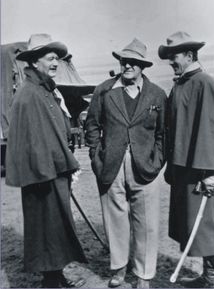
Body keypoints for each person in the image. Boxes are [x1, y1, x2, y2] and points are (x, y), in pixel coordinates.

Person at [5, 34, 87, 288]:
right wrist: (55, 169)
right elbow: (29, 142)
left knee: (56, 227)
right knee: (46, 229)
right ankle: (50, 281)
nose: (55, 63)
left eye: (57, 60)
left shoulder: (44, 90)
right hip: (42, 177)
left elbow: (55, 132)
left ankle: (56, 276)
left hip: (54, 172)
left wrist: (65, 165)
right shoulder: (29, 94)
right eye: (51, 58)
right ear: (35, 61)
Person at [85, 38, 167, 288]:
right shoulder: (104, 91)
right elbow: (92, 125)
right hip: (111, 164)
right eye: (124, 61)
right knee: (115, 218)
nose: (127, 65)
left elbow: (164, 134)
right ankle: (119, 267)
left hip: (146, 167)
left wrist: (157, 160)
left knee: (147, 223)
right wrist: (96, 154)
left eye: (133, 62)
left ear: (143, 66)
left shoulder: (157, 94)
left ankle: (143, 274)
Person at [158, 31, 214, 288]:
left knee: (205, 225)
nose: (171, 61)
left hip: (202, 169)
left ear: (190, 55)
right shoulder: (181, 84)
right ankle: (210, 277)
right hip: (183, 168)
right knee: (193, 225)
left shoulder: (205, 83)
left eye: (174, 56)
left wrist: (212, 172)